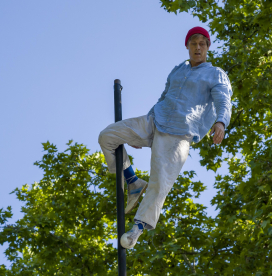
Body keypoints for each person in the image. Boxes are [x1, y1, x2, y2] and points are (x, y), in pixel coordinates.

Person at [98, 26, 233, 249]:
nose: (197, 47)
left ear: (208, 47)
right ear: (187, 46)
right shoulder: (177, 70)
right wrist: (144, 130)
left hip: (180, 132)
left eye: (202, 43)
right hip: (155, 120)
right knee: (108, 136)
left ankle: (137, 230)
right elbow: (163, 96)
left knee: (160, 183)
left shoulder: (215, 73)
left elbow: (223, 100)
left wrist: (221, 122)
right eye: (193, 43)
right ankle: (132, 181)